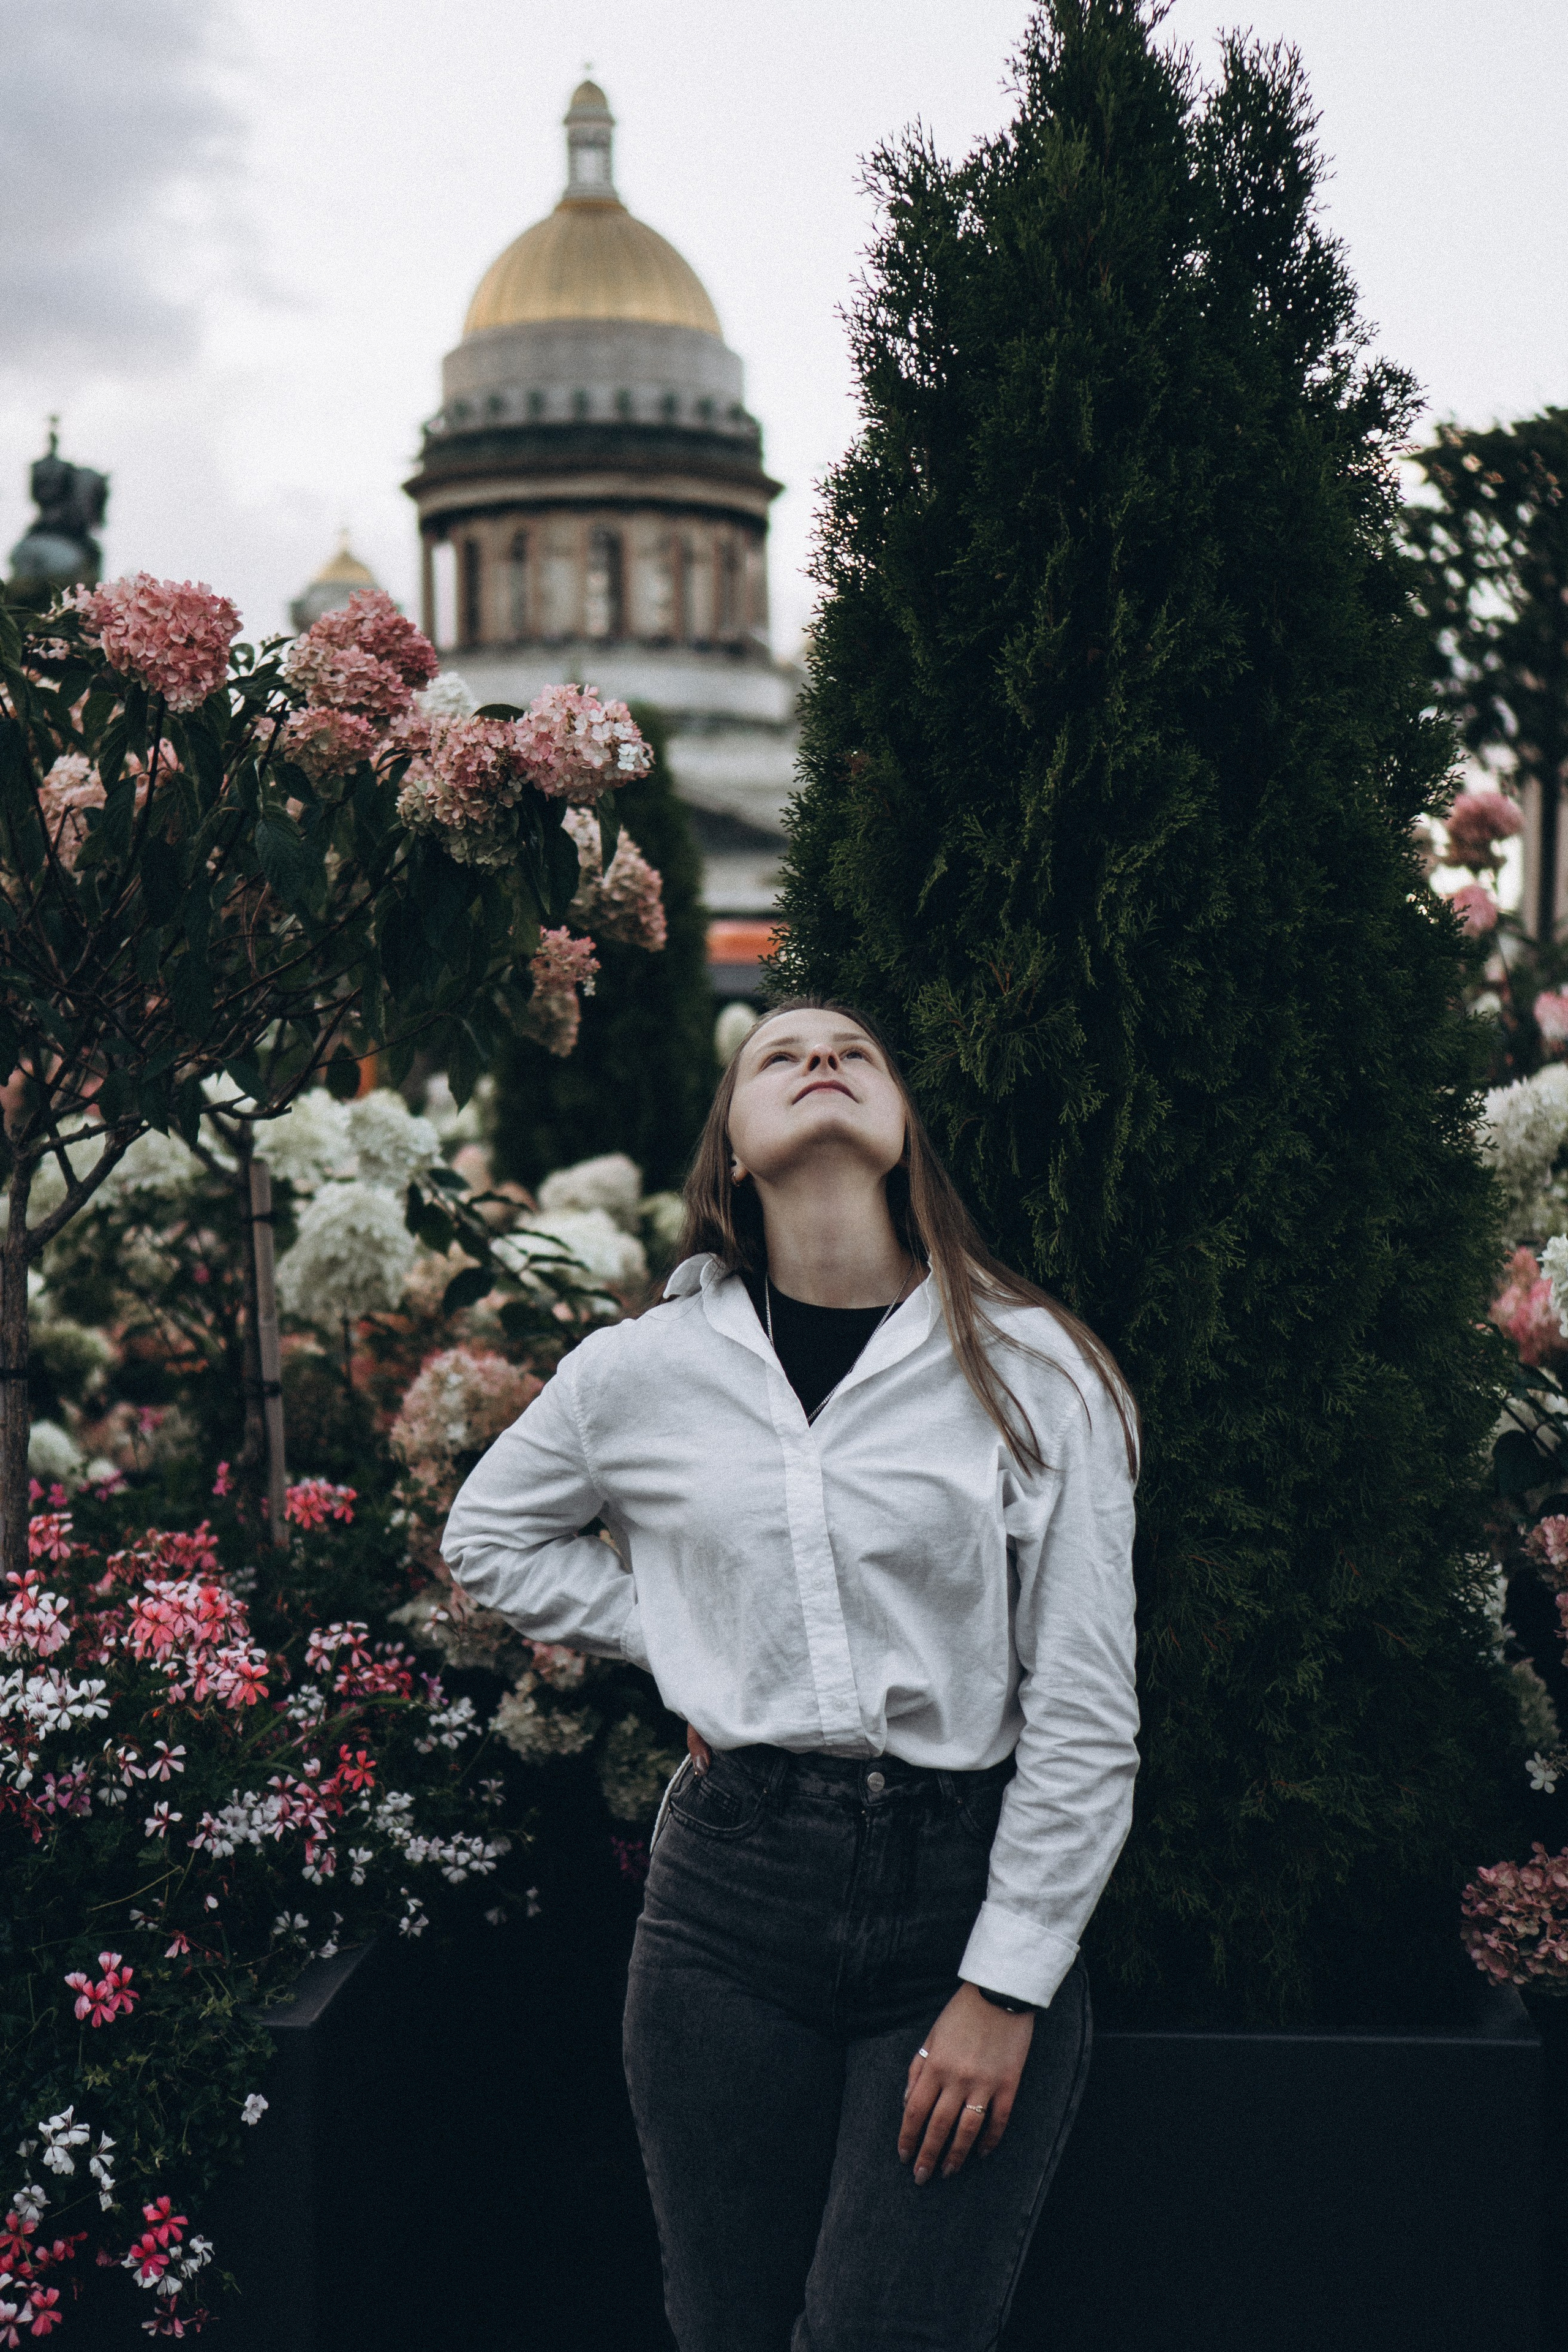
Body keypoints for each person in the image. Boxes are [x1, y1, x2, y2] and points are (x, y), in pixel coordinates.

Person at [442, 999, 1140, 2352]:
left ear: (900, 1136)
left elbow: (1084, 1709)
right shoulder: (633, 1376)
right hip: (724, 1916)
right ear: (730, 1155)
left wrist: (1003, 1989)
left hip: (962, 1901)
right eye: (778, 1053)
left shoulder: (1030, 1367)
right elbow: (489, 1536)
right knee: (729, 2330)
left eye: (855, 1052)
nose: (820, 1059)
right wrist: (687, 1640)